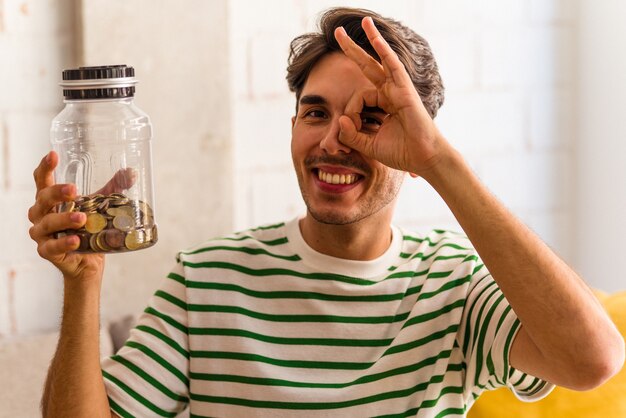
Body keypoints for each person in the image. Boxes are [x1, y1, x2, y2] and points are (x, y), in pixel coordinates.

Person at [29, 7, 624, 418]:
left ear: (417, 144)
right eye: (315, 113)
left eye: (369, 119)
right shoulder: (206, 280)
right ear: (293, 127)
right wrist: (84, 286)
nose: (335, 141)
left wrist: (441, 162)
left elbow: (593, 360)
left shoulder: (456, 283)